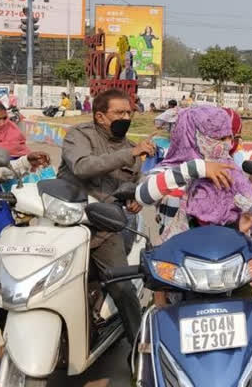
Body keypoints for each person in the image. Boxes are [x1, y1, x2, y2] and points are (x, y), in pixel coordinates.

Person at [134, 106, 252, 387]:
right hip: (177, 274)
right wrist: (198, 168)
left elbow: (251, 213)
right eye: (216, 138)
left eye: (227, 138)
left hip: (227, 269)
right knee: (151, 335)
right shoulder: (169, 170)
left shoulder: (231, 172)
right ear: (193, 134)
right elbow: (144, 194)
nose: (224, 145)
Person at [57, 89, 156, 343]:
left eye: (128, 112)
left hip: (104, 227)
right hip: (66, 223)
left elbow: (134, 183)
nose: (126, 116)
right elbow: (82, 166)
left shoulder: (132, 149)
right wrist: (129, 155)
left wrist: (135, 198)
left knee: (123, 286)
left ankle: (139, 350)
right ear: (100, 116)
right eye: (119, 112)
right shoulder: (79, 136)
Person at [0, 97, 50, 242]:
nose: (2, 123)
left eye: (4, 118)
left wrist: (30, 160)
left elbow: (21, 159)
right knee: (1, 232)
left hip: (18, 187)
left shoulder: (12, 130)